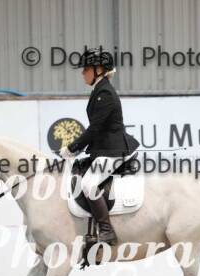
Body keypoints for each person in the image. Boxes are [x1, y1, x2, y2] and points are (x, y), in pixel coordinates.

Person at [60, 47, 140, 245]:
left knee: (89, 184)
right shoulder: (99, 90)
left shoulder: (105, 93)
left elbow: (94, 128)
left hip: (113, 150)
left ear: (99, 70)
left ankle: (106, 230)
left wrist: (72, 148)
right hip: (104, 149)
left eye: (86, 69)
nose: (82, 73)